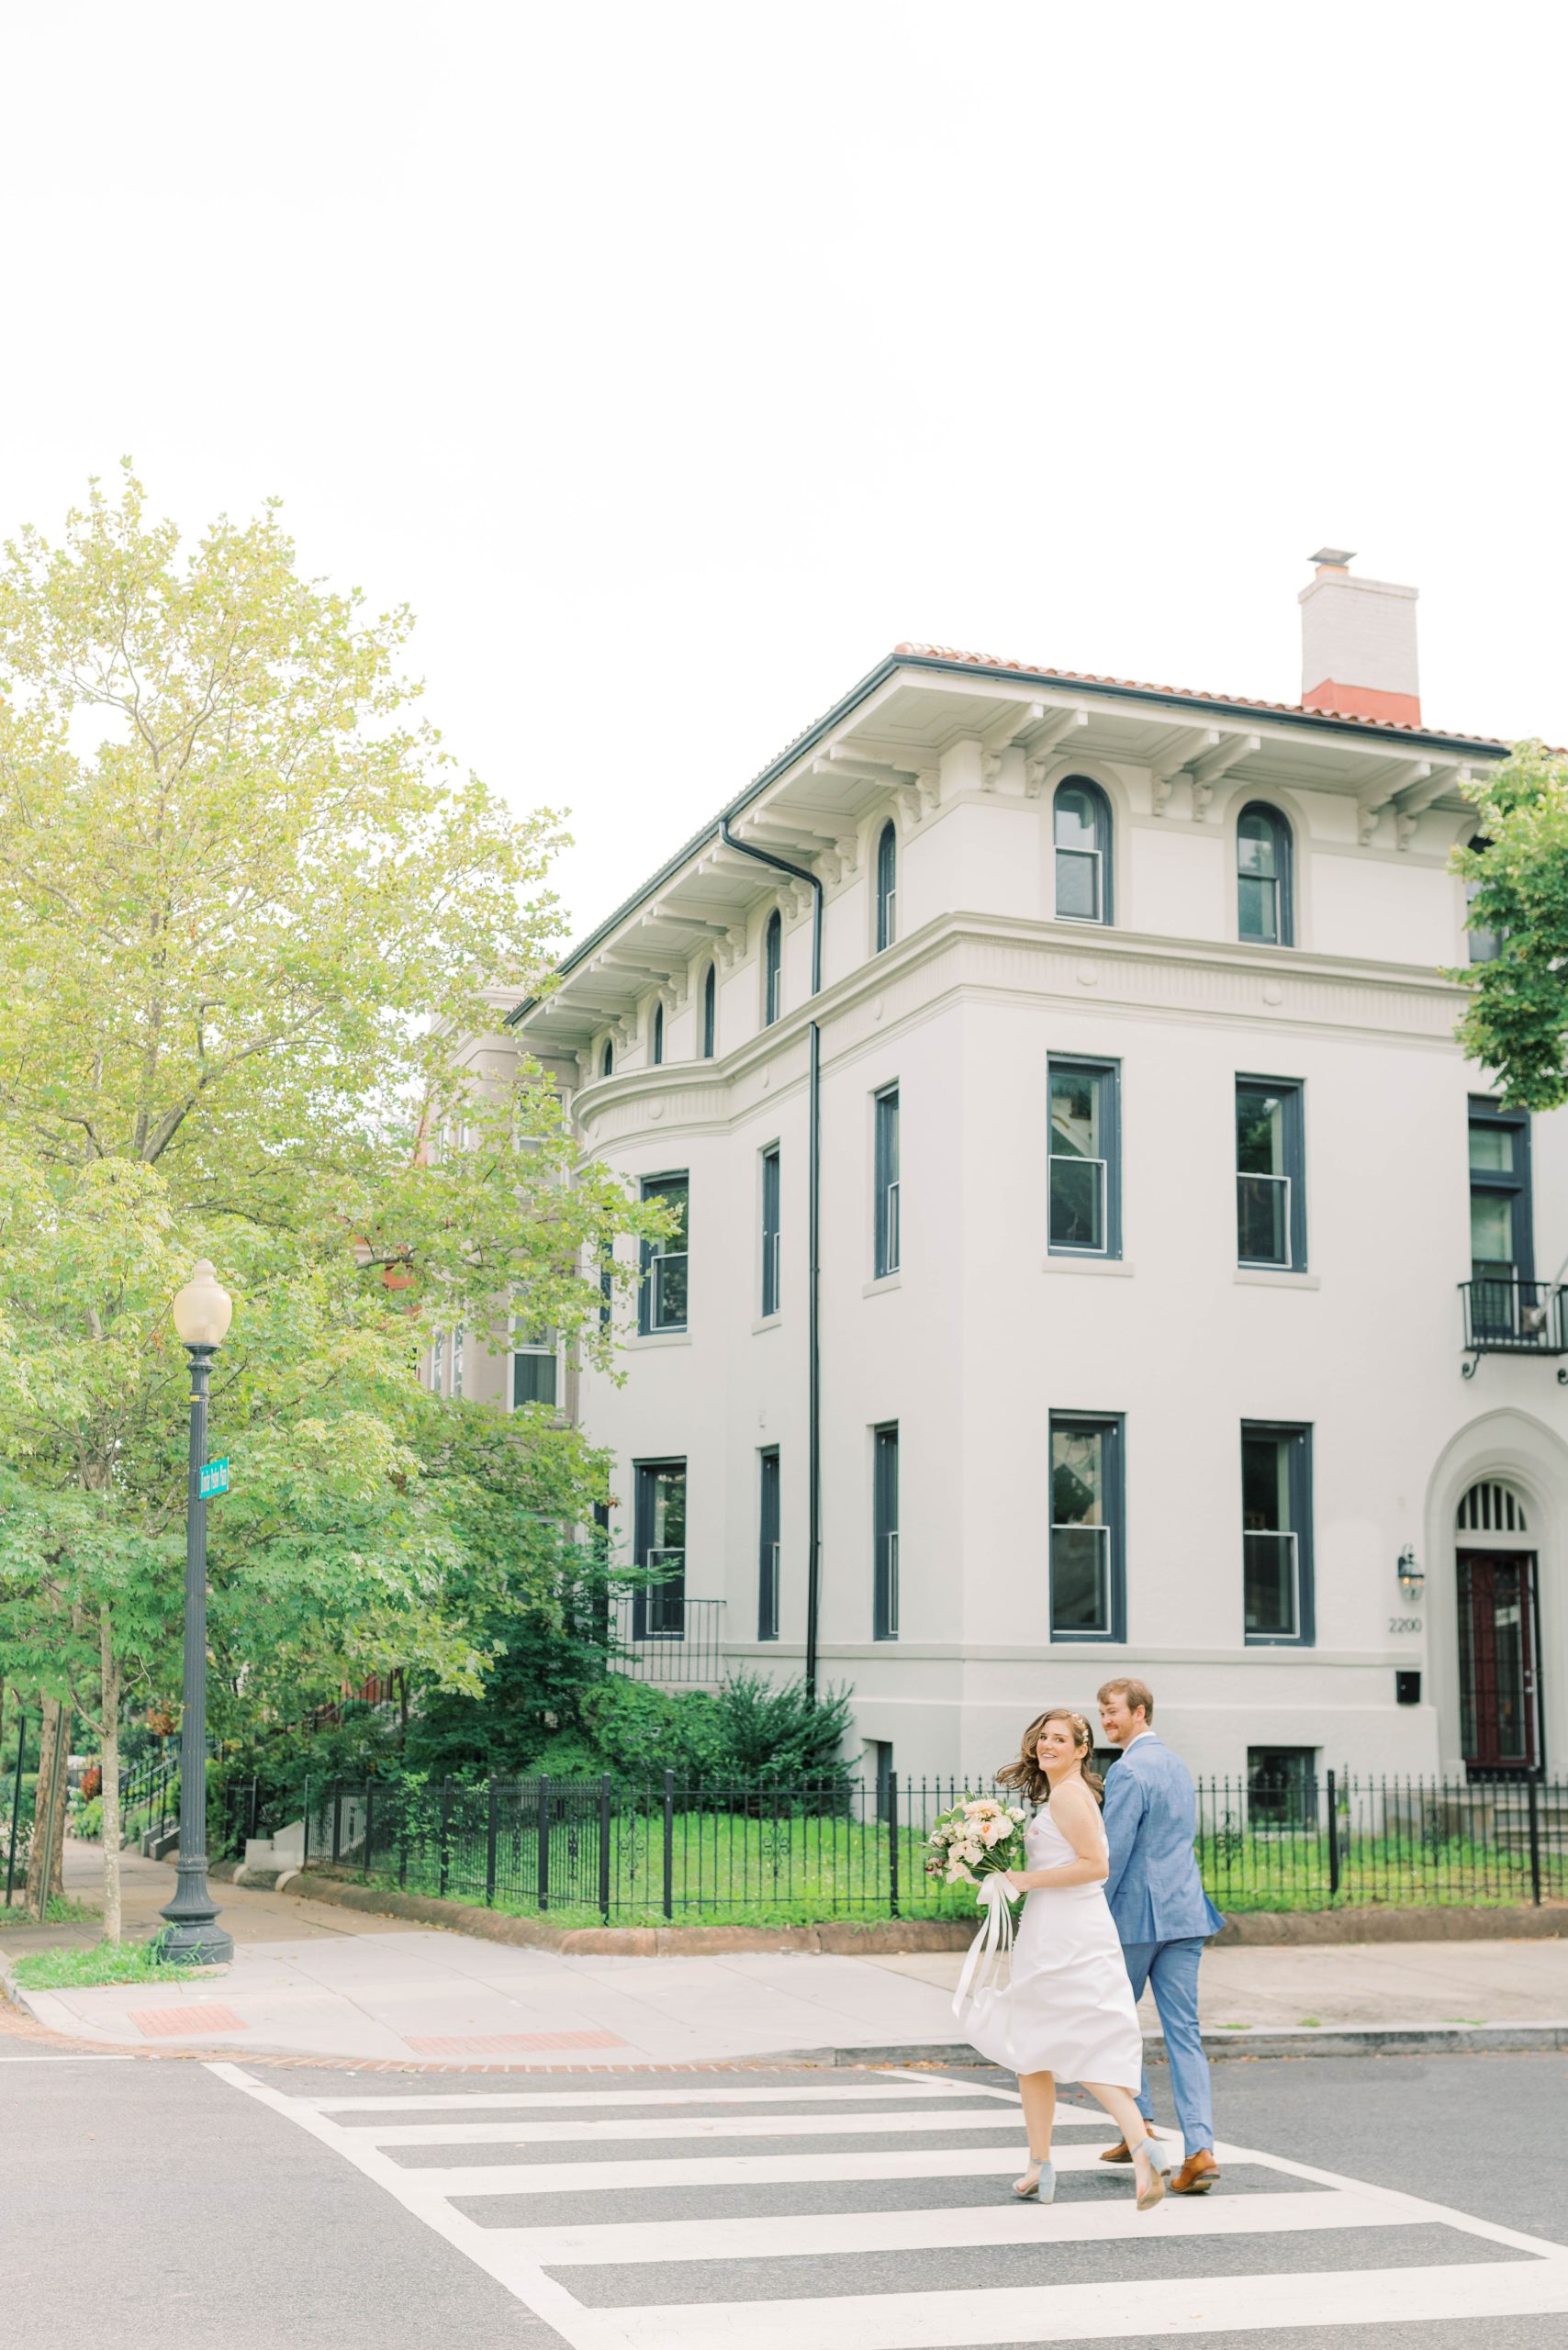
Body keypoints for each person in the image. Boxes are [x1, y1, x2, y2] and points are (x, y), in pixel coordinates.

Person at [960, 1707, 1172, 2212]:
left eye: (1060, 1739)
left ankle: (1139, 2142)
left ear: (1082, 1750)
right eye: (1042, 1737)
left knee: (1067, 2040)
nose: (1047, 1745)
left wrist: (1024, 1880)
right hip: (1054, 1927)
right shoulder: (1062, 1795)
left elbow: (1095, 1866)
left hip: (1066, 1934)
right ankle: (1040, 2165)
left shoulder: (1068, 1796)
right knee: (1029, 2045)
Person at [1096, 1675, 1225, 2194]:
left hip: (1136, 1919)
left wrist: (1091, 1913)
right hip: (1186, 1912)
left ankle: (1141, 2125)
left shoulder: (1128, 1771)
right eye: (1102, 1713)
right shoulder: (1175, 1764)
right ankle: (1200, 2149)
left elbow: (1115, 1853)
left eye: (1113, 1712)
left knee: (1114, 2023)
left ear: (1140, 1713)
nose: (1106, 1720)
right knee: (1184, 2033)